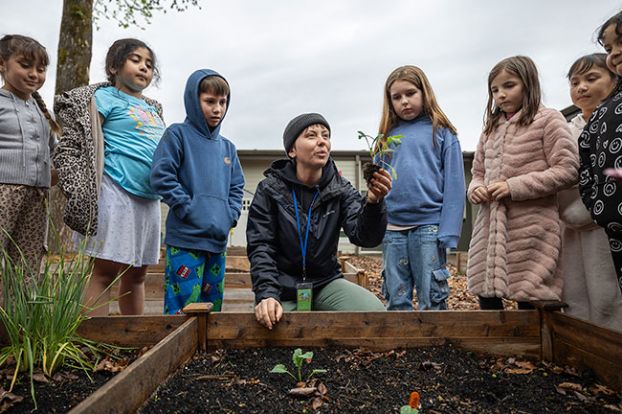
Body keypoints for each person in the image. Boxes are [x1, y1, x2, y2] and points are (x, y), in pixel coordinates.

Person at [53, 38, 166, 316]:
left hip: (148, 197)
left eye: (149, 64)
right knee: (105, 271)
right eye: (136, 60)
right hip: (115, 191)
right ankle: (92, 342)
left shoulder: (154, 109)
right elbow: (84, 138)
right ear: (114, 66)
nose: (144, 68)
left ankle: (132, 338)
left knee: (138, 274)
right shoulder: (104, 99)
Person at [247, 113, 391, 329]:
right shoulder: (270, 190)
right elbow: (261, 247)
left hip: (325, 283)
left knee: (375, 314)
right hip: (282, 286)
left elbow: (365, 237)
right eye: (311, 135)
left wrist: (373, 203)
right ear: (292, 150)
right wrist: (267, 294)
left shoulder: (340, 189)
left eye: (326, 135)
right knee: (271, 328)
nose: (322, 140)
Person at [467, 55, 579, 309]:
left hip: (531, 226)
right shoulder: (490, 129)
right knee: (486, 293)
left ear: (528, 84)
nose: (501, 95)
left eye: (509, 86)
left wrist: (513, 186)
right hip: (489, 226)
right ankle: (494, 347)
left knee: (530, 294)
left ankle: (532, 348)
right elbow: (478, 173)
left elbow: (568, 169)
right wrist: (475, 189)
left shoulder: (548, 120)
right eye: (495, 90)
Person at [151, 69, 244, 314]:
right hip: (186, 240)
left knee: (213, 308)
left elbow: (236, 187)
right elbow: (162, 175)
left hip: (217, 242)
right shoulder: (177, 135)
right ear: (194, 100)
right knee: (183, 308)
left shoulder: (228, 148)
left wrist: (230, 215)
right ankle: (178, 352)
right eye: (210, 101)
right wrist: (186, 207)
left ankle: (209, 353)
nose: (217, 109)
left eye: (222, 102)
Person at [377, 65, 465, 310]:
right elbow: (379, 185)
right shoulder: (387, 137)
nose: (404, 101)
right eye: (397, 97)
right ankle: (402, 346)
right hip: (392, 228)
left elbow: (456, 186)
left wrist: (448, 231)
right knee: (396, 296)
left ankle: (436, 346)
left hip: (429, 227)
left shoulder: (443, 133)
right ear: (390, 102)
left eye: (410, 93)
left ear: (424, 92)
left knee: (432, 296)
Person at [561, 53, 622, 331]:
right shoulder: (565, 129)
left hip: (602, 222)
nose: (581, 87)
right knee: (574, 287)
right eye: (575, 82)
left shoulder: (613, 124)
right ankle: (580, 344)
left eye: (591, 78)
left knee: (606, 289)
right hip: (568, 223)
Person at [0, 34, 60, 280]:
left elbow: (53, 153)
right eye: (25, 65)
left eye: (41, 69)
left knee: (26, 263)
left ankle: (18, 318)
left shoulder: (41, 111)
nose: (34, 74)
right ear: (2, 64)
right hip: (3, 192)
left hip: (37, 195)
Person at [578, 11, 622, 298]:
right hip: (615, 226)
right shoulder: (607, 110)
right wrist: (599, 207)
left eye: (620, 43)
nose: (615, 54)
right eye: (609, 48)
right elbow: (586, 163)